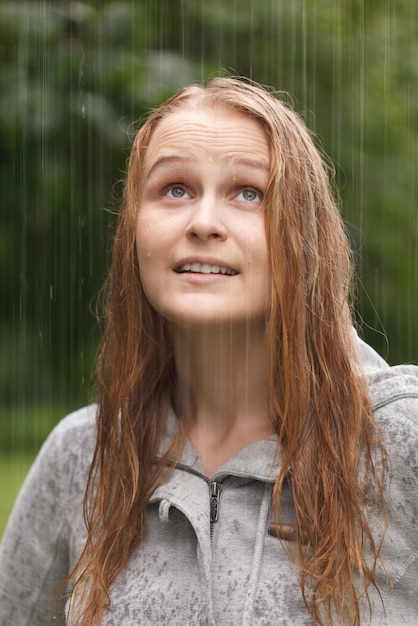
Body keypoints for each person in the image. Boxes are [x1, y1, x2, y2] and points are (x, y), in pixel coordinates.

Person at [0, 77, 417, 626]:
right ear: (133, 233)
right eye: (175, 189)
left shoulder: (403, 441)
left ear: (304, 234)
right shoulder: (81, 459)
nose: (202, 223)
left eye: (249, 193)